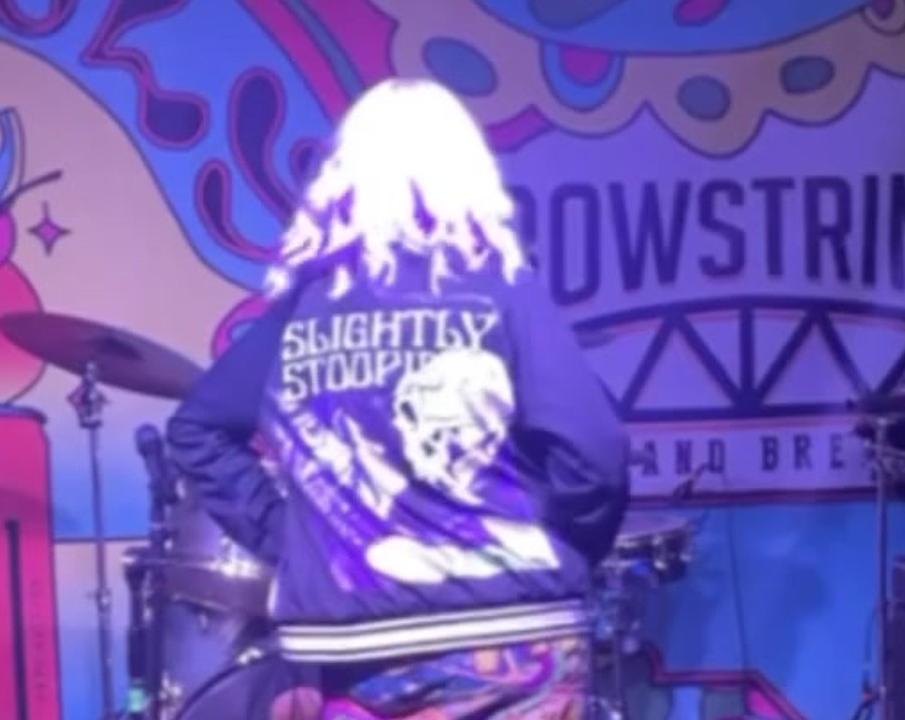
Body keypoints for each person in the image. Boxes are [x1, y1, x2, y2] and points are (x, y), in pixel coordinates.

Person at [166, 78, 629, 719]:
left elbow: (197, 430)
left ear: (343, 177)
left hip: (349, 648)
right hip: (513, 637)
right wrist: (556, 543)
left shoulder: (301, 312)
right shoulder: (503, 293)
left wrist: (294, 543)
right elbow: (594, 452)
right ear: (466, 173)